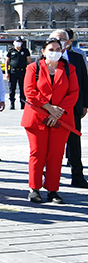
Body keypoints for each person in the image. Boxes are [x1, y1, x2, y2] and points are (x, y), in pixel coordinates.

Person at [22, 37, 76, 204]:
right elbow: (29, 91)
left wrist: (56, 113)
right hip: (37, 117)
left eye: (58, 49)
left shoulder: (69, 69)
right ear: (43, 51)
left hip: (61, 119)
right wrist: (49, 108)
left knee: (56, 155)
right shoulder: (33, 68)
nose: (54, 52)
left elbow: (73, 93)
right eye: (51, 49)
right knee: (37, 153)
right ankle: (34, 188)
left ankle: (53, 190)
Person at [54, 29, 88, 188]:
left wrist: (85, 105)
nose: (58, 41)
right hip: (52, 110)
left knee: (74, 143)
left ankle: (78, 176)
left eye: (61, 39)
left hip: (73, 108)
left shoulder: (77, 58)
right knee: (52, 144)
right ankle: (51, 177)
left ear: (68, 42)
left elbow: (84, 82)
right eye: (54, 39)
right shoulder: (46, 58)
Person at [6, 38, 30, 109]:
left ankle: (23, 103)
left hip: (22, 71)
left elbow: (29, 61)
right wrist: (7, 72)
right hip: (13, 72)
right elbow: (7, 62)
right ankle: (12, 103)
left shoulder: (25, 51)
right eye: (16, 42)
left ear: (22, 43)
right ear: (13, 43)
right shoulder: (11, 51)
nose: (18, 43)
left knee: (22, 88)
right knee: (12, 88)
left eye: (19, 41)